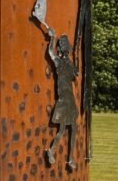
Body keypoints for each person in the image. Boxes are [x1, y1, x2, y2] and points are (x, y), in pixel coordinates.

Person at [44, 28, 79, 171]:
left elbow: (75, 74)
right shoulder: (58, 62)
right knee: (63, 129)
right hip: (64, 99)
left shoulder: (68, 64)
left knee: (72, 129)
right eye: (64, 48)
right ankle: (52, 151)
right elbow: (50, 52)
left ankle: (70, 158)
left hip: (69, 99)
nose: (66, 52)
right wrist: (53, 37)